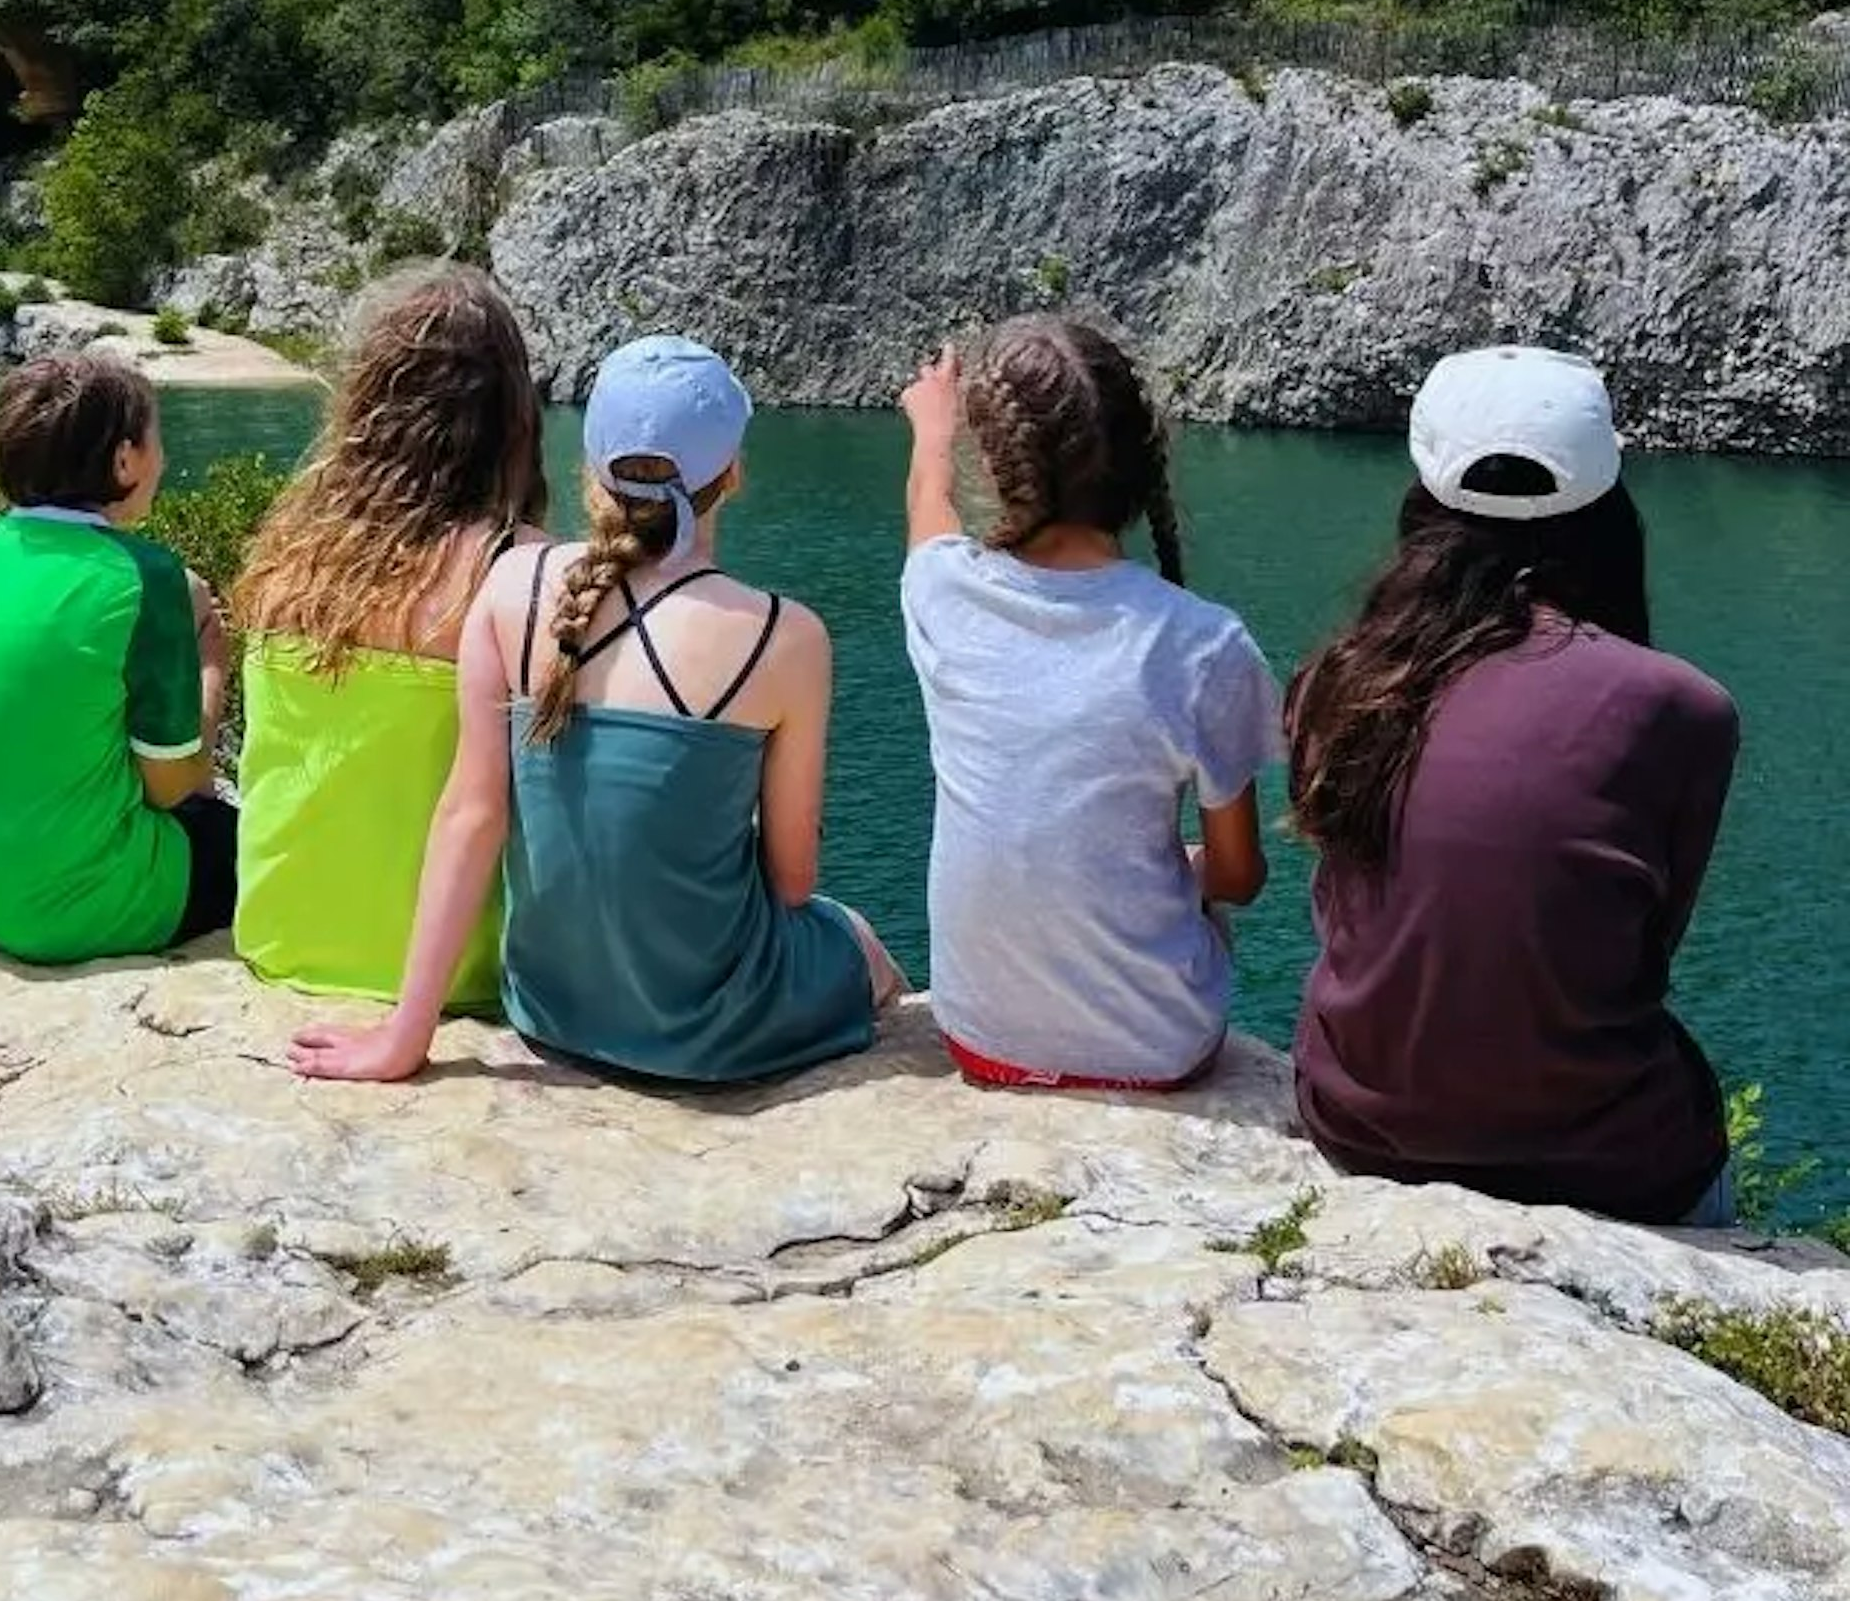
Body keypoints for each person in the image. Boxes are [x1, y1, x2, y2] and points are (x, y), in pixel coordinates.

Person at [289, 334, 900, 1085]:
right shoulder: (784, 636)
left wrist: (403, 1036)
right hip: (710, 1033)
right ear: (734, 474)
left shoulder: (515, 584)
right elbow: (794, 884)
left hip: (552, 1011)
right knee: (861, 943)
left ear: (591, 469)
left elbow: (470, 817)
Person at [1288, 344, 1738, 1228]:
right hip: (1605, 1159)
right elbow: (1639, 952)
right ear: (1608, 504)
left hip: (1359, 1127)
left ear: (1421, 504)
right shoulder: (1684, 710)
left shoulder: (1335, 681)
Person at [898, 315, 1283, 1089]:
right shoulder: (1204, 643)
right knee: (1199, 900)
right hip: (1155, 1052)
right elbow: (1238, 878)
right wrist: (1170, 868)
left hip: (979, 1035)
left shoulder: (943, 591)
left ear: (999, 463)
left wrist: (932, 428)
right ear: (1142, 466)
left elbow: (928, 511)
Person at [231, 264, 549, 1009]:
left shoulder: (289, 558)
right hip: (453, 974)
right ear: (512, 413)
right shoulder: (516, 570)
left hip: (283, 936)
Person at [0, 354, 236, 964]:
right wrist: (210, 662)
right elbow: (174, 786)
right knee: (244, 842)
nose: (167, 459)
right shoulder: (150, 580)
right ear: (124, 461)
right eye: (158, 439)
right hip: (73, 904)